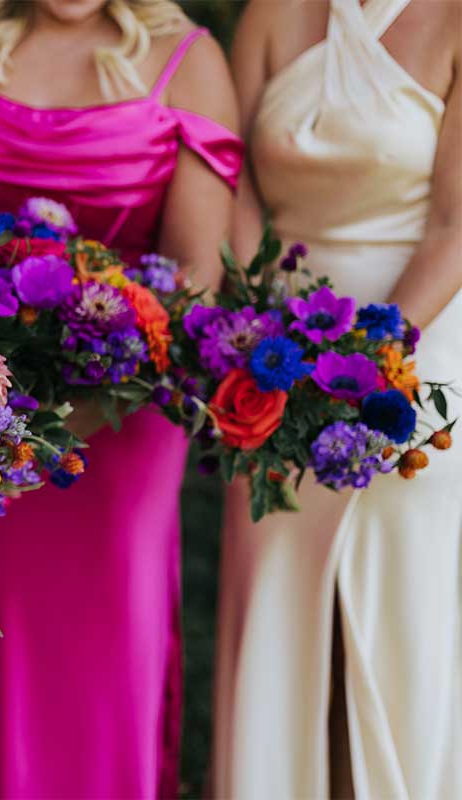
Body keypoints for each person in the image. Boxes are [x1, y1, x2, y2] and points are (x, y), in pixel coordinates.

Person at [0, 1, 241, 796]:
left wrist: (72, 397)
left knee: (101, 670)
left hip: (119, 424)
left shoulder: (192, 61)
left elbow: (194, 280)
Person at [213, 0, 461, 796]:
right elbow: (240, 188)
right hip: (274, 361)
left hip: (415, 352)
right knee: (278, 612)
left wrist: (367, 359)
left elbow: (457, 226)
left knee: (394, 609)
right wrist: (257, 335)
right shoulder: (272, 14)